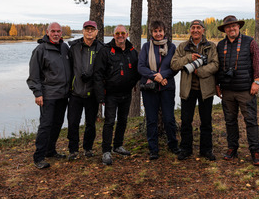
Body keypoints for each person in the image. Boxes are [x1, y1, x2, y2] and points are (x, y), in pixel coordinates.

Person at [215, 15, 259, 166]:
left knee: (250, 121)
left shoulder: (249, 42)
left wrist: (256, 82)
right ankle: (232, 148)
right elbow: (217, 67)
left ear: (239, 27)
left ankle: (255, 151)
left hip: (246, 90)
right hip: (228, 90)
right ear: (225, 29)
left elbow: (258, 63)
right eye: (228, 27)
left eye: (234, 26)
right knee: (230, 121)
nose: (231, 28)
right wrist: (217, 84)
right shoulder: (220, 45)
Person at [171, 20, 219, 161]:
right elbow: (174, 64)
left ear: (203, 30)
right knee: (186, 121)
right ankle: (186, 149)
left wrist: (200, 71)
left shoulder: (211, 46)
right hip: (188, 89)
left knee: (206, 121)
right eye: (193, 28)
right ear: (190, 30)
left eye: (199, 27)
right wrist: (188, 58)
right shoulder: (182, 46)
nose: (196, 30)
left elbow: (216, 65)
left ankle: (206, 150)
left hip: (206, 89)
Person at [27, 22, 71, 169]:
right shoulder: (40, 50)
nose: (56, 33)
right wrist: (37, 93)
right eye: (53, 31)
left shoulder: (64, 47)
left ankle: (50, 151)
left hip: (63, 95)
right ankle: (39, 157)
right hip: (48, 95)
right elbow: (34, 75)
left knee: (57, 124)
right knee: (45, 125)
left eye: (59, 31)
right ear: (47, 32)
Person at [93, 25, 140, 165]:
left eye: (123, 33)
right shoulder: (106, 51)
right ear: (114, 35)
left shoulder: (132, 51)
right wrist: (101, 95)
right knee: (109, 122)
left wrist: (135, 83)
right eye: (117, 33)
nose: (120, 36)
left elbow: (138, 70)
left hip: (126, 93)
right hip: (111, 94)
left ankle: (118, 145)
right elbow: (98, 74)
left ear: (127, 34)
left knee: (123, 120)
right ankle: (106, 150)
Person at [138, 20, 180, 160]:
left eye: (160, 31)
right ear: (151, 32)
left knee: (169, 119)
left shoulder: (172, 47)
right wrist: (155, 76)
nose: (158, 34)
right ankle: (153, 149)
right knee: (151, 120)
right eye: (155, 31)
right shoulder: (145, 47)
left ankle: (173, 145)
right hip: (150, 88)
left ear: (164, 32)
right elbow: (141, 66)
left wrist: (163, 76)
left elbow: (174, 67)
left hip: (167, 88)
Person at [67, 21, 104, 160]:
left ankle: (88, 148)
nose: (89, 32)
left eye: (92, 29)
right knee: (73, 123)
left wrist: (93, 77)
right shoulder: (73, 47)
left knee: (90, 124)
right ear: (83, 31)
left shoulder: (101, 48)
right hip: (75, 92)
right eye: (87, 29)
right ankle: (73, 150)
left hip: (92, 93)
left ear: (96, 32)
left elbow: (103, 70)